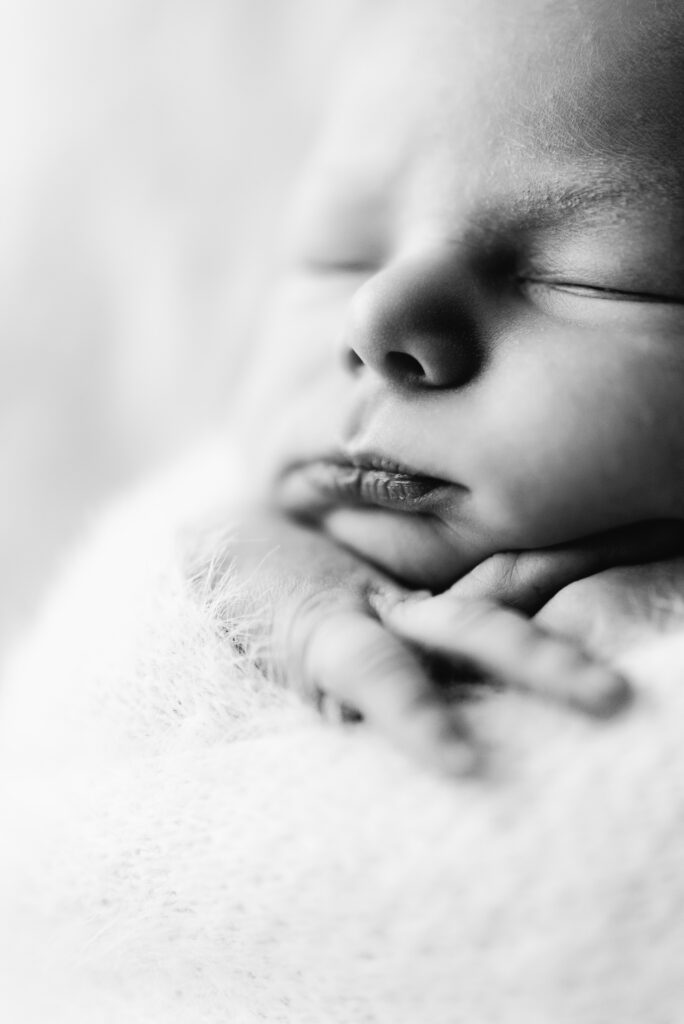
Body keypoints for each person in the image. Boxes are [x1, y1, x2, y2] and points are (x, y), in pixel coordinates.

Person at [215, 0, 684, 773]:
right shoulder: (249, 523)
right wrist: (285, 589)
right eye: (339, 254)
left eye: (598, 278)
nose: (372, 319)